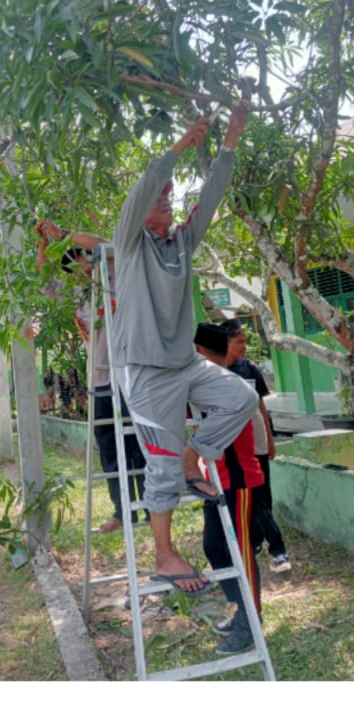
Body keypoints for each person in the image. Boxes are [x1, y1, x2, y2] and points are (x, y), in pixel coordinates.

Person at [112, 101, 260, 595]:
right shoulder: (130, 243)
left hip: (185, 364)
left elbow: (211, 198)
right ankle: (165, 554)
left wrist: (229, 143)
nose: (166, 204)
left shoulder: (180, 243)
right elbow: (143, 189)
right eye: (160, 200)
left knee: (240, 398)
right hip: (147, 372)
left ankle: (195, 457)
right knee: (159, 467)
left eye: (169, 200)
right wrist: (179, 146)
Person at [34, 219, 147, 535]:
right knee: (109, 446)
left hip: (131, 374)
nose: (84, 264)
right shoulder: (76, 297)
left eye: (85, 256)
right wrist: (44, 245)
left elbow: (106, 243)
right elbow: (42, 281)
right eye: (77, 262)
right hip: (100, 380)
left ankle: (151, 505)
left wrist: (63, 234)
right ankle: (123, 513)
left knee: (137, 440)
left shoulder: (115, 278)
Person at [194, 323, 265, 656]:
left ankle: (252, 622)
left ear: (204, 353)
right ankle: (240, 608)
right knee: (214, 547)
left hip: (236, 480)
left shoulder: (229, 385)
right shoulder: (203, 387)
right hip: (214, 478)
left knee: (242, 554)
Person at [219, 318, 291, 573]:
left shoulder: (248, 368)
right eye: (239, 342)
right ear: (224, 343)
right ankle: (267, 546)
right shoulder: (214, 371)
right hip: (233, 447)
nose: (244, 346)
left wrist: (270, 439)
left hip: (256, 440)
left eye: (245, 341)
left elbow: (261, 406)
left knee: (262, 495)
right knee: (249, 497)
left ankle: (266, 544)